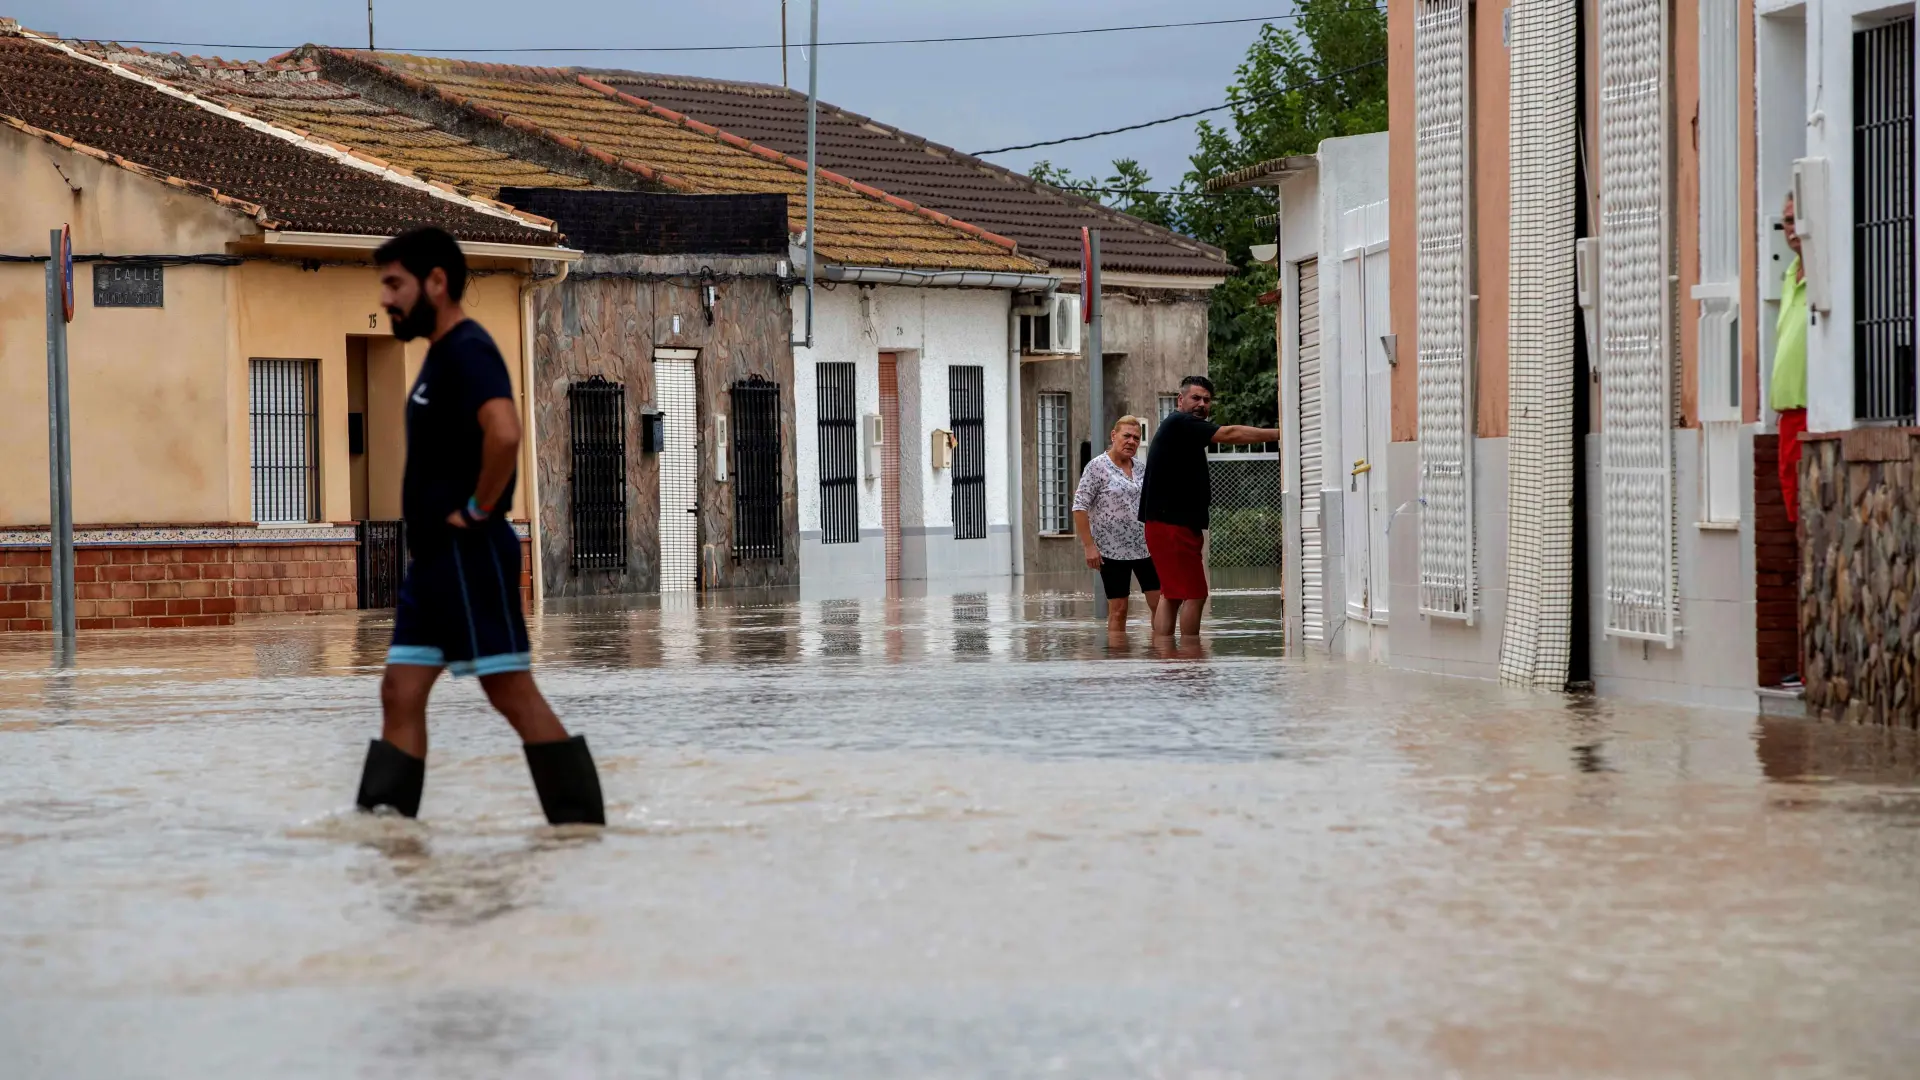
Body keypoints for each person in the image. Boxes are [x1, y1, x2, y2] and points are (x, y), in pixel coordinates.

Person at [353, 227, 605, 826]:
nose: (386, 298)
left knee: (509, 691)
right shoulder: (440, 355)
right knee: (399, 691)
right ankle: (387, 838)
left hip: (468, 554)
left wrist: (477, 510)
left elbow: (507, 432)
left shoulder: (469, 349)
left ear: (436, 282)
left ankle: (579, 830)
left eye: (395, 284)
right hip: (433, 564)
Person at [1137, 375, 1283, 639]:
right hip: (1172, 524)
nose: (1201, 404)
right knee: (1195, 594)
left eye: (1206, 400)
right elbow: (1230, 433)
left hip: (1167, 523)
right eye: (1195, 398)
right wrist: (1282, 433)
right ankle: (1192, 656)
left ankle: (1165, 656)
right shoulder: (1180, 422)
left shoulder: (1182, 429)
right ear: (1180, 400)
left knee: (1172, 594)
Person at [1072, 415, 1160, 631]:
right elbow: (1079, 506)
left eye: (1136, 438)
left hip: (1146, 547)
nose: (1131, 441)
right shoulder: (1097, 467)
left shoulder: (1141, 468)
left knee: (1160, 604)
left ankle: (1161, 656)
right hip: (1111, 550)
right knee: (1119, 609)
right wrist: (1089, 546)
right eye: (1127, 436)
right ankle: (1117, 661)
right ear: (1114, 436)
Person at [1771, 192, 1808, 526]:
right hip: (1788, 416)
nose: (1792, 229)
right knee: (1792, 505)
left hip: (1809, 412)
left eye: (1798, 219)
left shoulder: (1824, 273)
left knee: (1802, 507)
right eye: (1787, 221)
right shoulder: (1790, 274)